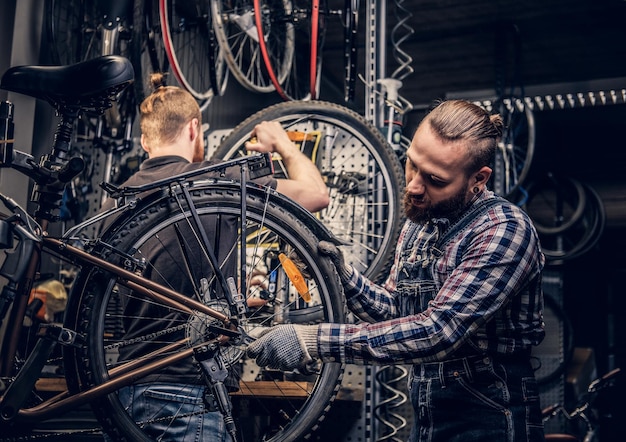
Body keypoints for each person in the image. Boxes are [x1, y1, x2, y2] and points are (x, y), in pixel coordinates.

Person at [247, 99, 546, 441]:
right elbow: (395, 311)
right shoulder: (421, 223)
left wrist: (312, 340)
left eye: (435, 179)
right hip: (428, 410)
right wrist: (341, 276)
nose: (415, 187)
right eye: (412, 165)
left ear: (478, 179)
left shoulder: (503, 231)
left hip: (489, 414)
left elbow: (437, 332)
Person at [101, 73, 329, 441]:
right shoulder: (217, 180)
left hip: (124, 389)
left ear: (144, 140)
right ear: (194, 129)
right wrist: (284, 144)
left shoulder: (115, 202)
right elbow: (315, 194)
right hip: (189, 392)